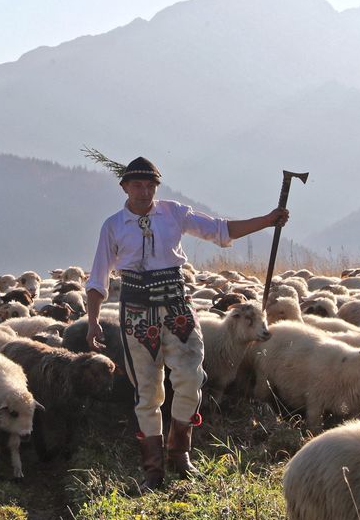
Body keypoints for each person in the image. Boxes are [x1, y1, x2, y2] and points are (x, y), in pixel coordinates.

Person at [85, 156, 288, 493]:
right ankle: (153, 470)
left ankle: (179, 454)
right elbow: (97, 278)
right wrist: (93, 322)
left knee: (192, 379)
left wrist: (267, 221)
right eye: (137, 184)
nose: (144, 190)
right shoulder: (113, 226)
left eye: (150, 185)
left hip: (177, 305)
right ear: (124, 187)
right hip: (136, 311)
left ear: (156, 187)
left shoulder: (174, 213)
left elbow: (220, 229)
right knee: (147, 391)